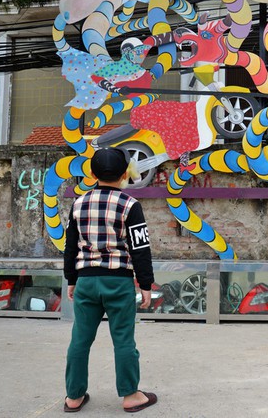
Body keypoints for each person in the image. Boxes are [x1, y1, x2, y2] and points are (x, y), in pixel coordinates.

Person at [63, 147, 157, 413]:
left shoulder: (78, 203)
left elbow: (71, 247)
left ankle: (73, 397)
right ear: (125, 173)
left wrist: (71, 279)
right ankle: (130, 395)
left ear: (92, 174)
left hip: (86, 281)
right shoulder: (130, 205)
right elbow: (140, 248)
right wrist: (146, 284)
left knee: (80, 340)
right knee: (124, 340)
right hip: (118, 282)